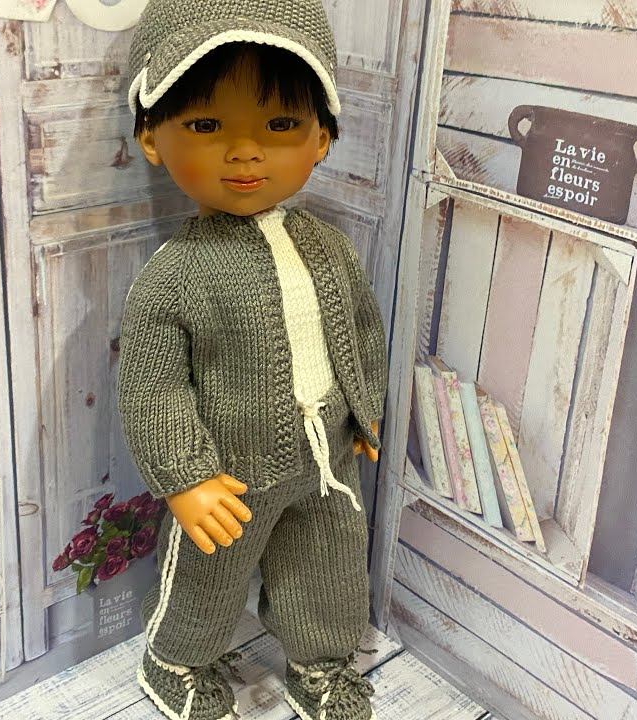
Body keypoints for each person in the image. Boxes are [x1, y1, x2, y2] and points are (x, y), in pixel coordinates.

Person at [117, 2, 388, 718]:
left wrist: (365, 412)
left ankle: (321, 663)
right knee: (207, 580)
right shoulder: (176, 275)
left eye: (280, 125)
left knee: (326, 569)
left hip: (326, 459)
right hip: (227, 476)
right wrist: (186, 477)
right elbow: (152, 387)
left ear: (322, 136)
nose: (245, 152)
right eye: (207, 126)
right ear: (151, 136)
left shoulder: (329, 247)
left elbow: (360, 331)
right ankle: (175, 659)